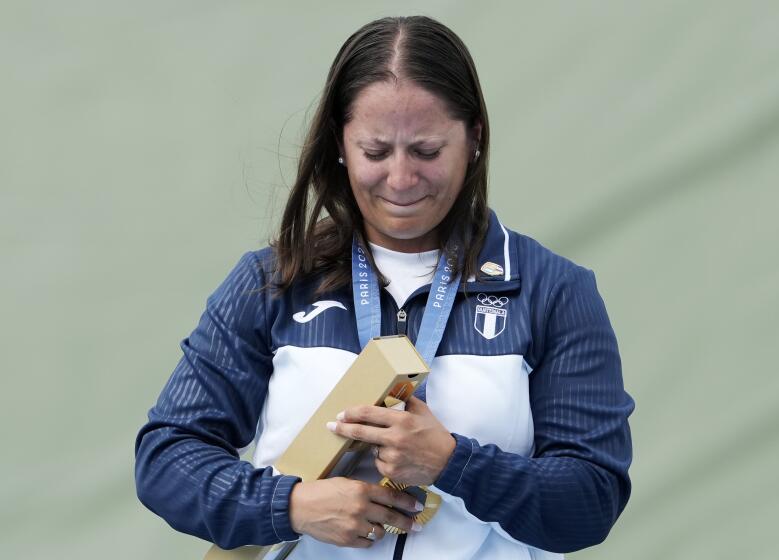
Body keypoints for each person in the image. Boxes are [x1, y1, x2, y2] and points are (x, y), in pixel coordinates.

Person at [135, 15, 634, 560]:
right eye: (375, 152)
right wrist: (291, 506)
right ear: (340, 145)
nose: (400, 180)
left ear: (474, 139)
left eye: (426, 151)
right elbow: (166, 458)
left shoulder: (552, 290)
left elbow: (590, 503)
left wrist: (453, 462)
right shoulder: (273, 280)